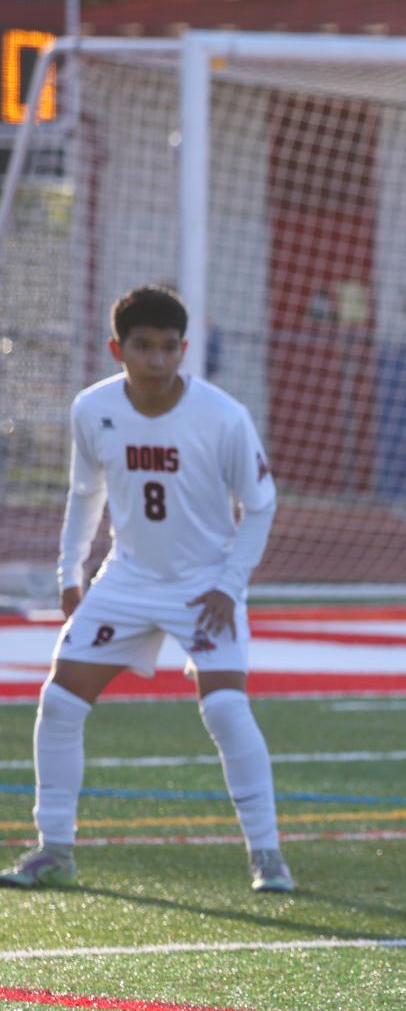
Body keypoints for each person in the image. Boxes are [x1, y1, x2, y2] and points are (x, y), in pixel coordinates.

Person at [3, 286, 291, 892]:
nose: (157, 361)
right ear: (118, 348)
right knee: (58, 701)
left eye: (168, 349)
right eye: (143, 347)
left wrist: (229, 586)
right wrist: (71, 572)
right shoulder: (92, 408)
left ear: (185, 350)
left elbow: (260, 506)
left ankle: (268, 856)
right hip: (127, 579)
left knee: (226, 709)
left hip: (206, 585)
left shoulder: (223, 416)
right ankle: (53, 848)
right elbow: (86, 494)